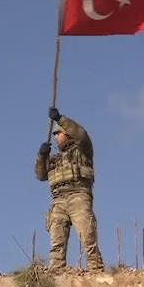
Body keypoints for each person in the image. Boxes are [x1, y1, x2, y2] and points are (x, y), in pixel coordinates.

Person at [34, 107, 104, 273]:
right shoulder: (55, 159)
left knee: (87, 237)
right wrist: (41, 155)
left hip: (78, 195)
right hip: (58, 199)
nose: (56, 137)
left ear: (67, 134)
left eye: (59, 133)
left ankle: (95, 269)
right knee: (56, 241)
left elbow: (81, 134)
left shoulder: (82, 150)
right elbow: (40, 175)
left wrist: (60, 119)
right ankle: (57, 272)